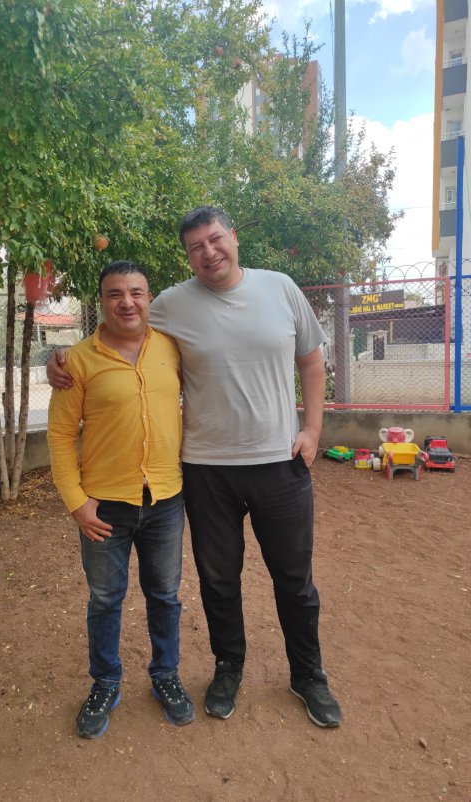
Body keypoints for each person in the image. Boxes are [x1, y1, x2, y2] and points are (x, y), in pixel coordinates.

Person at [48, 208, 341, 728]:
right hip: (207, 472)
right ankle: (228, 668)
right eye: (195, 247)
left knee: (295, 580)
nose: (208, 252)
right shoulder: (172, 303)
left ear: (233, 237)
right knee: (218, 580)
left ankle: (308, 675)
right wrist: (62, 358)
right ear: (187, 257)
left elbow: (311, 360)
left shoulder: (280, 288)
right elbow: (120, 324)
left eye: (215, 239)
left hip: (279, 462)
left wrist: (313, 431)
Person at [47, 260, 194, 739]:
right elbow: (60, 435)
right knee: (106, 599)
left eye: (136, 292)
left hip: (166, 499)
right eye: (115, 294)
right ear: (101, 302)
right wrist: (76, 502)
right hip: (104, 507)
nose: (126, 302)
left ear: (149, 298)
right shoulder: (77, 362)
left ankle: (165, 675)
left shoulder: (171, 348)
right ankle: (106, 683)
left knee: (165, 595)